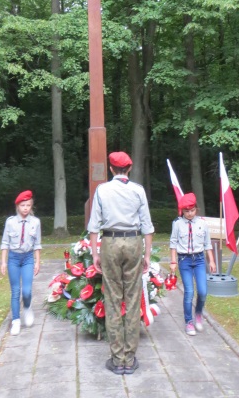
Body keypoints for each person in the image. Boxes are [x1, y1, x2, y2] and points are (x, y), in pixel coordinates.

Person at [88, 151, 154, 375]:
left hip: (110, 242)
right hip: (134, 241)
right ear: (129, 168)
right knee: (133, 299)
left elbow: (94, 225)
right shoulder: (138, 190)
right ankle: (130, 357)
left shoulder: (102, 190)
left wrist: (95, 253)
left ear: (111, 169)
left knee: (113, 300)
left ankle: (118, 360)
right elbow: (147, 225)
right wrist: (147, 256)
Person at [169, 192, 216, 336]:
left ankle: (198, 314)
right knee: (189, 292)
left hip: (200, 260)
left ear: (196, 209)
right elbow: (173, 243)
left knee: (202, 291)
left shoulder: (202, 223)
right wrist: (173, 261)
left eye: (192, 210)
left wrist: (212, 260)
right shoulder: (177, 224)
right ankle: (189, 322)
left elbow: (207, 243)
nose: (189, 214)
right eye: (186, 211)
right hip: (185, 260)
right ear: (182, 211)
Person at [1, 190, 41, 336]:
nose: (25, 208)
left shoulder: (35, 222)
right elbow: (5, 243)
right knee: (15, 291)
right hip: (13, 259)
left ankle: (28, 307)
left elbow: (37, 244)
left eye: (28, 205)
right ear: (17, 206)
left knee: (27, 291)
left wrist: (37, 262)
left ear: (31, 207)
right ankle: (16, 321)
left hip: (28, 258)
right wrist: (3, 263)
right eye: (23, 205)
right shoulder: (10, 222)